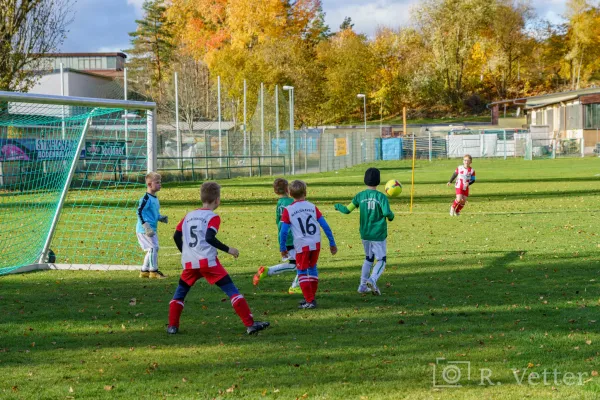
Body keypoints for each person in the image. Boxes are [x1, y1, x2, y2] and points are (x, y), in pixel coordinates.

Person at [167, 182, 269, 335]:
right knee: (232, 291)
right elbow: (209, 238)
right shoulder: (212, 217)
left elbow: (176, 236)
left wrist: (185, 252)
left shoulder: (188, 216)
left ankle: (172, 327)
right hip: (208, 262)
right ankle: (250, 324)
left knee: (180, 293)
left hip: (190, 263)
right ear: (217, 200)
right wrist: (229, 250)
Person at [334, 167, 394, 295]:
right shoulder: (381, 197)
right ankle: (372, 280)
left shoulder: (360, 196)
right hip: (378, 234)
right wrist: (391, 216)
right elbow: (387, 213)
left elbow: (346, 210)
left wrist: (338, 206)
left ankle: (362, 286)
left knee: (368, 258)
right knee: (382, 260)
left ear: (365, 180)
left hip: (365, 234)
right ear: (378, 181)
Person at [279, 180, 337, 309]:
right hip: (315, 243)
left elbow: (283, 232)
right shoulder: (312, 207)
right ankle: (310, 297)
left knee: (302, 271)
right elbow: (325, 226)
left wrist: (283, 248)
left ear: (289, 193)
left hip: (302, 245)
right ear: (305, 192)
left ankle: (310, 301)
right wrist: (332, 243)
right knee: (312, 268)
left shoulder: (288, 210)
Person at [253, 178, 301, 294]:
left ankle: (269, 271)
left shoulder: (279, 203)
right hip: (292, 238)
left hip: (283, 236)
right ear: (287, 189)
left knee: (296, 264)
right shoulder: (291, 202)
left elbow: (278, 221)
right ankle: (293, 286)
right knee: (301, 264)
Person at [136, 172, 168, 279]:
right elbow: (139, 212)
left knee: (152, 249)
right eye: (157, 182)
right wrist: (145, 226)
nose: (160, 184)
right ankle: (153, 271)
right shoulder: (145, 198)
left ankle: (144, 271)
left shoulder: (154, 198)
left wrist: (160, 217)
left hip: (151, 228)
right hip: (144, 229)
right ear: (150, 184)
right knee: (154, 247)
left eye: (160, 182)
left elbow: (154, 213)